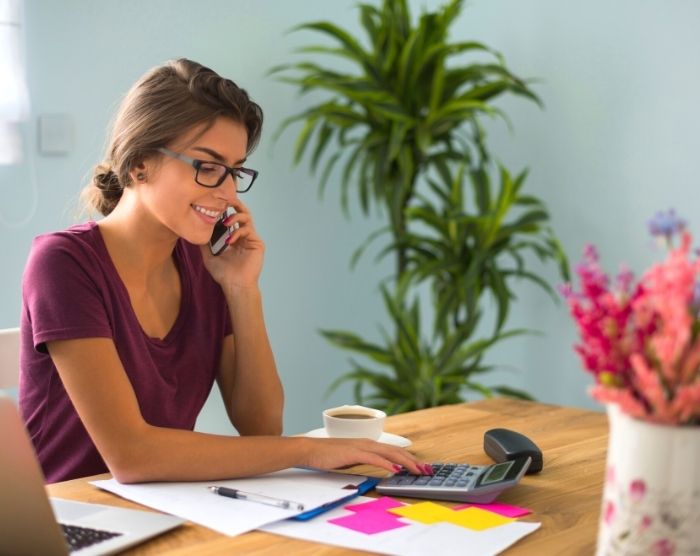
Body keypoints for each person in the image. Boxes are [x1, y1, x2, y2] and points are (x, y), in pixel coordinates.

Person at [18, 58, 428, 484]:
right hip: (67, 520)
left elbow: (261, 425)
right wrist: (309, 449)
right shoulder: (63, 264)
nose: (228, 192)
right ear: (139, 163)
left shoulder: (205, 264)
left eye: (234, 171)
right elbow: (132, 455)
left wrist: (241, 289)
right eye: (208, 167)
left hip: (165, 506)